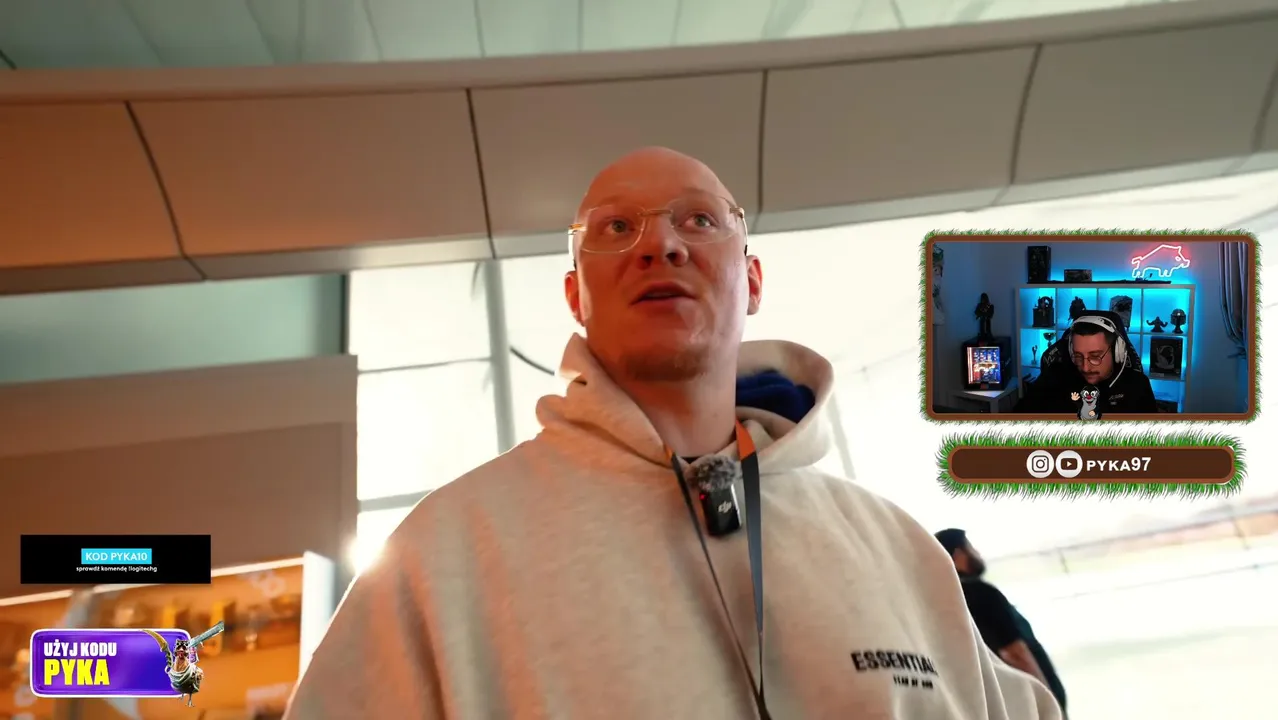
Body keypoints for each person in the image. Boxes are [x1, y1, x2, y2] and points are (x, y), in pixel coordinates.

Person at [285, 148, 1061, 719]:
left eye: (698, 219)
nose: (661, 246)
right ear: (575, 297)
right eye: (617, 227)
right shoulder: (438, 563)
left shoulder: (895, 548)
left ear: (751, 280)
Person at [934, 529, 1069, 717]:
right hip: (1025, 704)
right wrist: (1047, 706)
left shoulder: (946, 599)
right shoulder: (982, 593)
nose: (977, 553)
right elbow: (1015, 653)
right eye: (971, 547)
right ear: (958, 554)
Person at [1014, 310, 1159, 414]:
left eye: (1095, 356)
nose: (1085, 367)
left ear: (1117, 351)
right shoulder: (1052, 378)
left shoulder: (1137, 386)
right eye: (1078, 356)